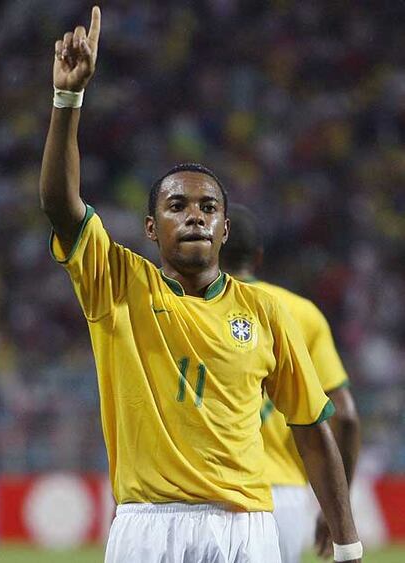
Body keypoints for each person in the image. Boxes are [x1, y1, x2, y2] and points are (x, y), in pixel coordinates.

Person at [39, 7, 362, 563]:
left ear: (225, 228)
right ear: (151, 227)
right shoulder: (118, 282)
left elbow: (314, 428)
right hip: (148, 526)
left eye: (209, 207)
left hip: (248, 528)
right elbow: (62, 208)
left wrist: (349, 542)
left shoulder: (265, 311)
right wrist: (68, 102)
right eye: (177, 206)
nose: (195, 216)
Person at [221, 203, 361, 563]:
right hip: (284, 496)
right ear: (258, 257)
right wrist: (336, 510)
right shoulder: (300, 313)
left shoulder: (188, 309)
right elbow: (344, 415)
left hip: (208, 487)